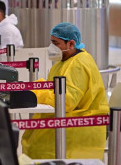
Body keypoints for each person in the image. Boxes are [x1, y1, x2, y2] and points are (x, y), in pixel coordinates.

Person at [21, 22, 109, 159]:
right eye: (51, 42)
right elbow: (53, 86)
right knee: (32, 140)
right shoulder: (65, 61)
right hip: (71, 117)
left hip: (83, 123)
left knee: (37, 147)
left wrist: (37, 93)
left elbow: (67, 101)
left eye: (56, 43)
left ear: (71, 44)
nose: (52, 47)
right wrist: (33, 87)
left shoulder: (79, 64)